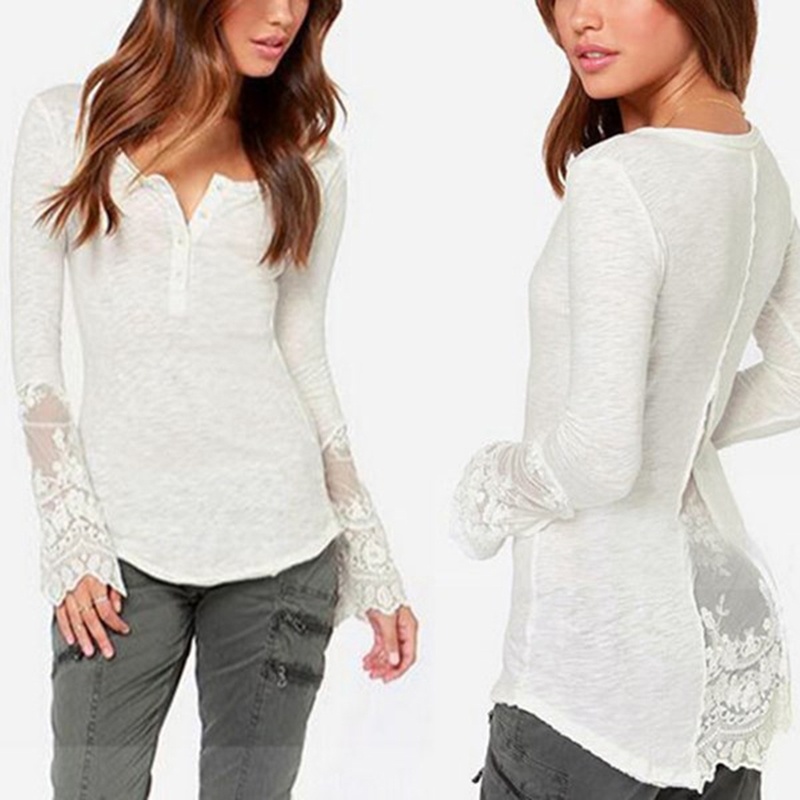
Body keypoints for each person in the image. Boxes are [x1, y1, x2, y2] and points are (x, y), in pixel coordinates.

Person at [9, 1, 418, 797]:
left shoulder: (308, 157)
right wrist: (71, 534)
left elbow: (304, 353)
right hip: (119, 552)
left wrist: (371, 555)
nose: (283, 16)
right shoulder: (67, 125)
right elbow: (35, 353)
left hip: (281, 547)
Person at [450, 0, 795, 798]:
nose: (582, 18)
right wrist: (676, 429)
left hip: (596, 671)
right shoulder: (755, 164)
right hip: (724, 655)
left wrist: (487, 492)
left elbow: (600, 458)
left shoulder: (621, 176)